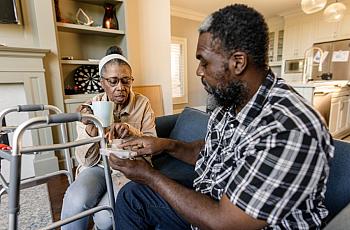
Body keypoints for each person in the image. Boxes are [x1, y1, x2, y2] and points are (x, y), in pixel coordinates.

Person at [109, 4, 334, 230]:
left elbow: (226, 222)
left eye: (204, 61)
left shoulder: (288, 127)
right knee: (132, 197)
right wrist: (164, 145)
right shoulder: (230, 103)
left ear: (238, 62)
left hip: (228, 220)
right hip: (214, 200)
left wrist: (149, 175)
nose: (198, 71)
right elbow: (210, 153)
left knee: (143, 186)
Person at [61, 46, 157, 230]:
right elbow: (86, 160)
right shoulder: (89, 108)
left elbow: (153, 146)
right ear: (102, 82)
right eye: (113, 81)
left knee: (105, 218)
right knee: (76, 199)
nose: (120, 88)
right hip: (98, 166)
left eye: (126, 81)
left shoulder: (143, 104)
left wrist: (131, 132)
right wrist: (90, 130)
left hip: (128, 166)